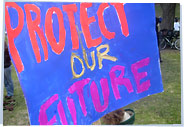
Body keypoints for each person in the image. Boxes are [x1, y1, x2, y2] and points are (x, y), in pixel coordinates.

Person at [4, 33, 15, 111]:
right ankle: (8, 93)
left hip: (7, 66)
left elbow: (10, 57)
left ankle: (11, 93)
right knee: (5, 82)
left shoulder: (6, 50)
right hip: (2, 67)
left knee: (9, 80)